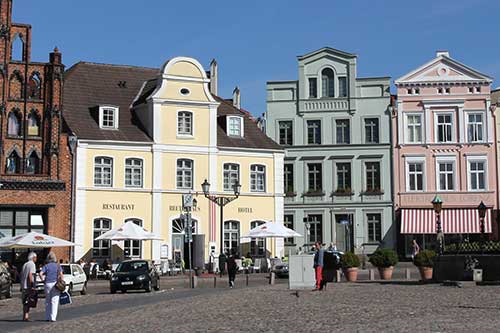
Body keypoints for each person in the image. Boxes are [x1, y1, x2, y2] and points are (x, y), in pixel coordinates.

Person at [39, 252, 63, 322]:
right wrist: (62, 281)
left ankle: (47, 317)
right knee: (54, 301)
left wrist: (43, 280)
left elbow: (40, 274)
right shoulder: (58, 266)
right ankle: (53, 317)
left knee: (47, 301)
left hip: (47, 284)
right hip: (55, 284)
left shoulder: (46, 266)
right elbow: (61, 275)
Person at [20, 252, 37, 321]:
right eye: (36, 257)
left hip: (23, 285)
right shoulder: (32, 264)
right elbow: (30, 275)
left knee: (25, 301)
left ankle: (24, 315)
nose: (36, 259)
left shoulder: (25, 264)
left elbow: (21, 274)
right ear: (33, 258)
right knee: (29, 301)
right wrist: (32, 285)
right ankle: (26, 316)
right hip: (28, 286)